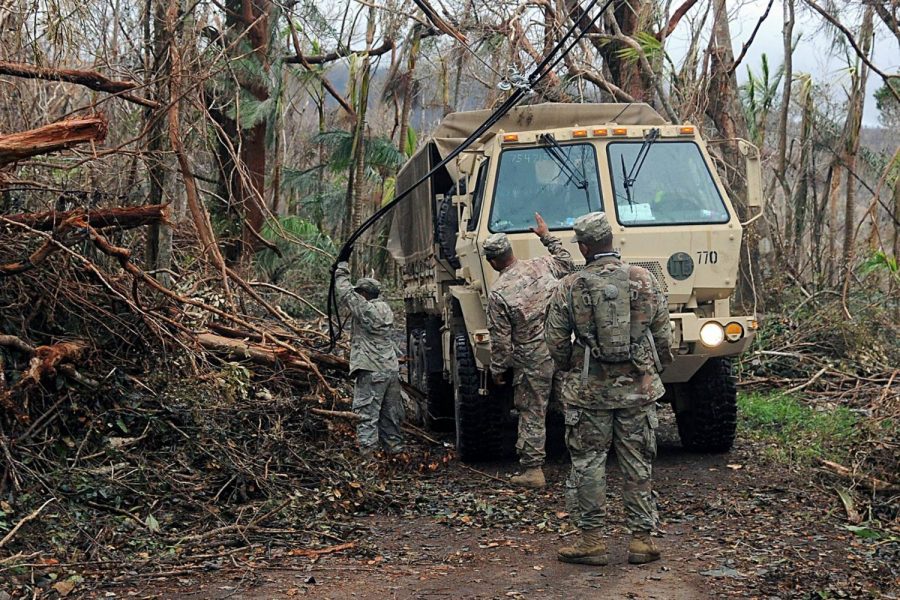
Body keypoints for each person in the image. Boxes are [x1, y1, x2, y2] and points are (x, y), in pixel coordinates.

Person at [544, 212, 673, 566]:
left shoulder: (570, 285)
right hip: (639, 388)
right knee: (638, 461)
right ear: (611, 241)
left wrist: (570, 367)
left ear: (584, 247)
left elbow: (554, 339)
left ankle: (591, 541)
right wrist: (656, 365)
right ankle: (642, 541)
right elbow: (662, 331)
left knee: (588, 462)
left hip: (589, 393)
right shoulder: (644, 279)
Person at [483, 212, 575, 488]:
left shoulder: (499, 293)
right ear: (511, 252)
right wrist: (546, 236)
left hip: (532, 358)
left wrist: (499, 369)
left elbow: (501, 340)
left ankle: (533, 471)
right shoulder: (542, 265)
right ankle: (586, 462)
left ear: (492, 261)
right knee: (572, 405)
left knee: (533, 410)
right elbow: (568, 262)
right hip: (562, 348)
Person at [334, 262, 404, 456]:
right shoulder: (385, 309)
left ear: (364, 294)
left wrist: (341, 271)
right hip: (390, 369)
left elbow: (345, 293)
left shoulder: (366, 310)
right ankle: (396, 455)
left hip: (372, 370)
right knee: (390, 417)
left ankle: (368, 462)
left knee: (366, 416)